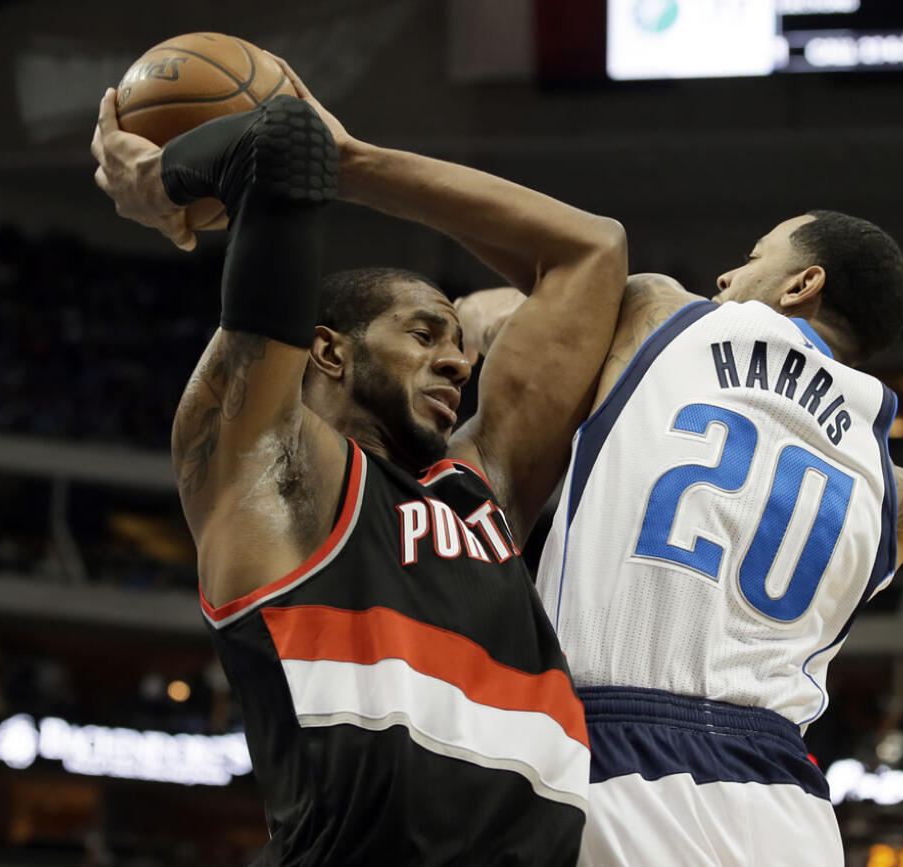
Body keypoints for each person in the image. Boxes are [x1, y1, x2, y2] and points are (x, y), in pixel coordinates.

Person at [467, 211, 903, 865]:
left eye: (751, 258)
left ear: (803, 284)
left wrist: (481, 314)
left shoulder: (661, 328)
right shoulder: (899, 489)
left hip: (613, 749)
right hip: (783, 801)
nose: (724, 276)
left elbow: (554, 295)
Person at [90, 58, 626, 864]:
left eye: (458, 344)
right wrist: (162, 177)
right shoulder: (267, 471)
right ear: (329, 350)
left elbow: (594, 250)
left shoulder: (480, 491)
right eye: (422, 334)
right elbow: (284, 140)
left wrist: (363, 161)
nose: (457, 362)